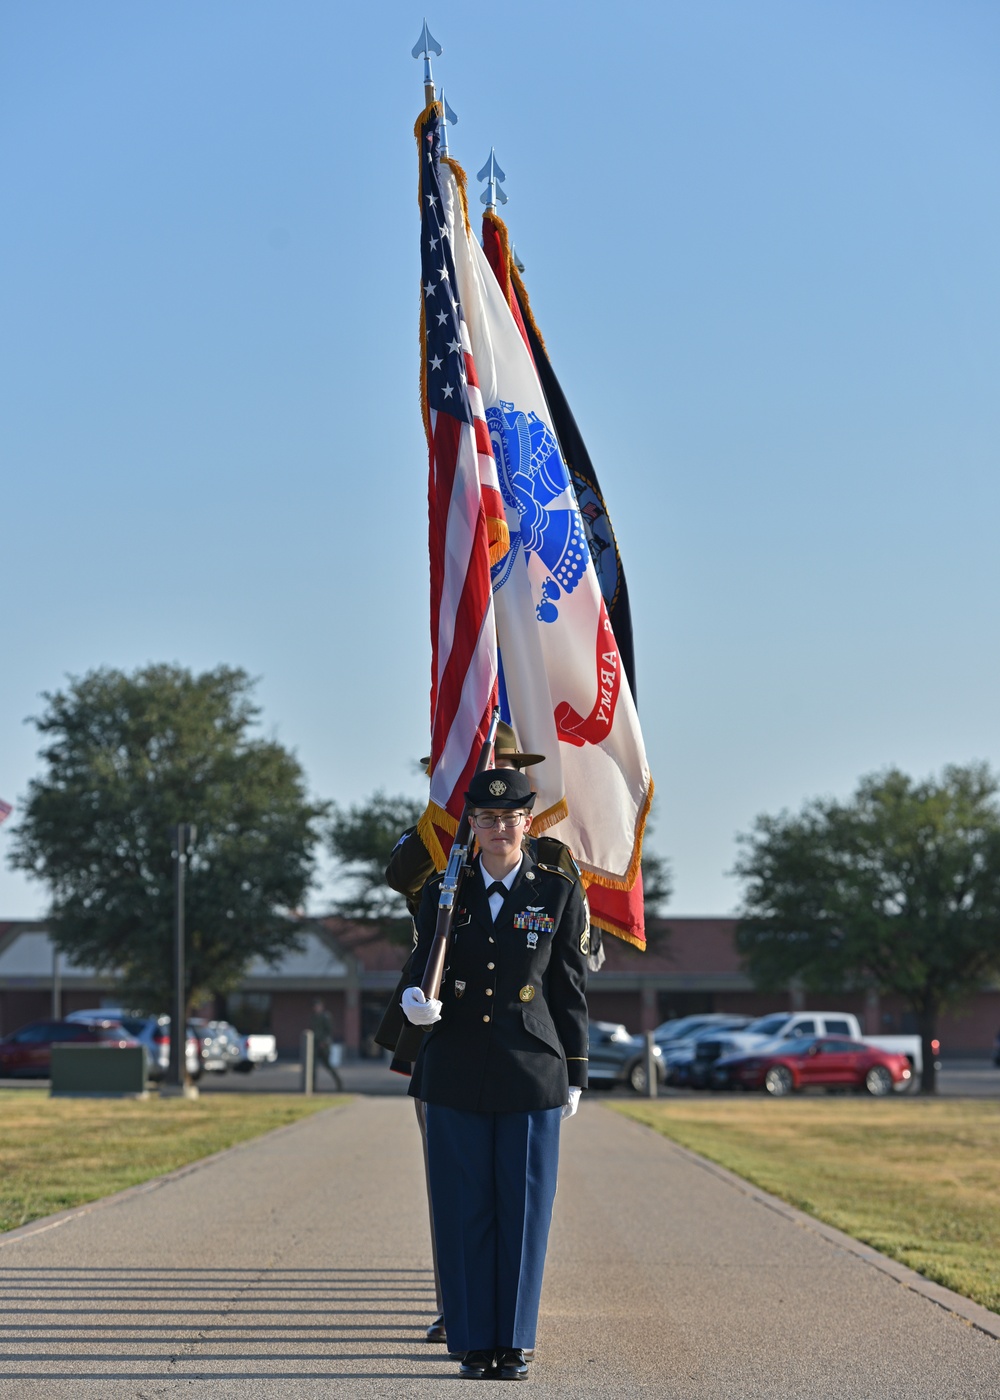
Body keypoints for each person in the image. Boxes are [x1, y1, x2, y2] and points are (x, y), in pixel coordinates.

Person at [401, 768, 589, 1380]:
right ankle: (474, 1343)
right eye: (487, 819)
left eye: (511, 820)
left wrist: (577, 1070)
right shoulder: (443, 890)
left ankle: (514, 1343)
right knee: (464, 1210)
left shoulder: (556, 890)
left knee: (523, 1209)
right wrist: (414, 1003)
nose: (500, 829)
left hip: (532, 1069)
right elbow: (420, 962)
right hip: (454, 1067)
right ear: (472, 827)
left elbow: (567, 988)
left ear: (526, 824)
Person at [309, 999, 343, 1092]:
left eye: (318, 1006)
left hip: (324, 1046)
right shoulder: (314, 1017)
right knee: (312, 1067)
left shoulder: (325, 1016)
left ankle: (339, 1083)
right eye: (315, 1006)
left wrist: (324, 1042)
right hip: (315, 1045)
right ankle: (311, 1088)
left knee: (328, 1066)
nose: (316, 1008)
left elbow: (329, 1031)